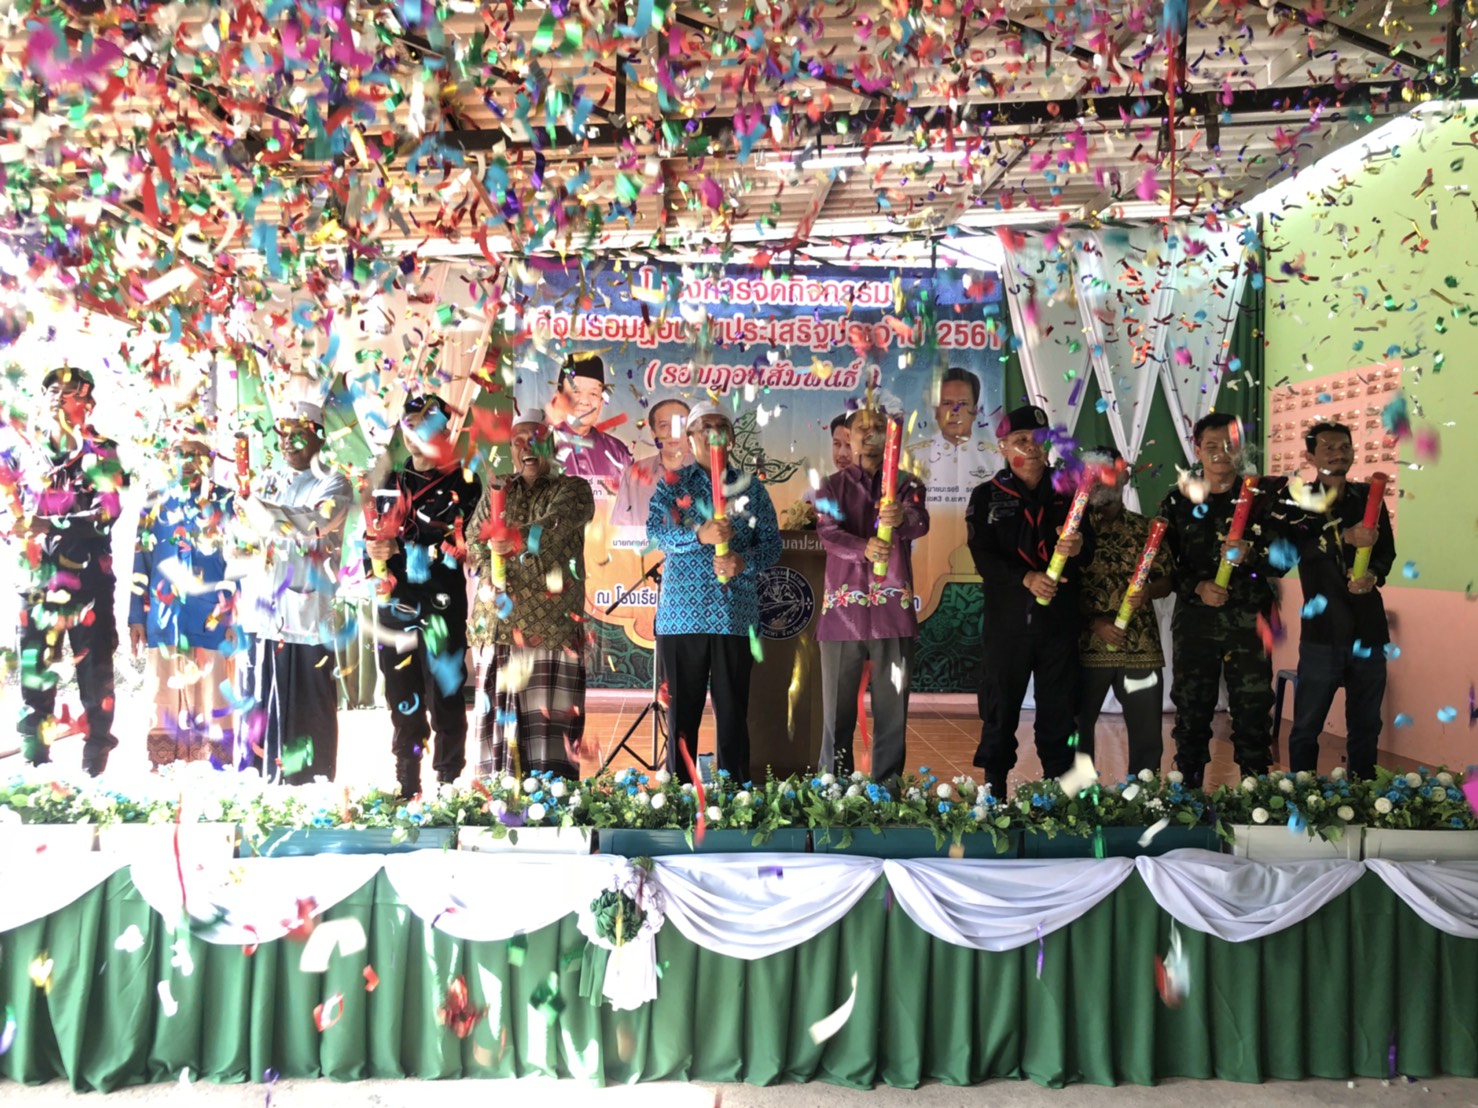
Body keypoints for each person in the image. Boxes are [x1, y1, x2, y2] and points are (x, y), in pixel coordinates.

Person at [2, 367, 127, 775]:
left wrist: (49, 524)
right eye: (52, 389)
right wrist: (12, 524)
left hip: (88, 581)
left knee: (95, 674)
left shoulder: (103, 451)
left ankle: (94, 767)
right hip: (35, 580)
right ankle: (36, 766)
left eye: (71, 391)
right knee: (35, 675)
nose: (59, 396)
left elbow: (107, 513)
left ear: (88, 403)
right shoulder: (20, 452)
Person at [648, 400, 781, 782]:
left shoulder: (751, 488)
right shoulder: (672, 485)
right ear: (690, 438)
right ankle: (677, 796)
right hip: (681, 617)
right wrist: (698, 535)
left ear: (732, 438)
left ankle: (735, 796)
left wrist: (743, 562)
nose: (712, 434)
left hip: (734, 616)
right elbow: (655, 533)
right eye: (703, 427)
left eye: (720, 427)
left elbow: (771, 545)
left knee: (734, 715)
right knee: (681, 716)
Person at [966, 404, 1094, 798]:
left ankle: (1063, 800)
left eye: (1039, 439)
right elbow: (983, 556)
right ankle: (994, 796)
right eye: (1021, 439)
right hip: (1008, 625)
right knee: (1000, 710)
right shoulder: (987, 496)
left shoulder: (1070, 493)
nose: (1032, 446)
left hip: (1059, 624)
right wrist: (1026, 578)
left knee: (1060, 714)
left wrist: (1079, 547)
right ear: (1003, 447)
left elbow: (1090, 552)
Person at [1157, 412, 1287, 788]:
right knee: (1191, 709)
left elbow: (1285, 559)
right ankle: (1188, 794)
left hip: (1250, 621)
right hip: (1196, 622)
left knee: (1253, 709)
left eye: (1229, 445)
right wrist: (1196, 587)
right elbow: (1163, 564)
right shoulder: (1178, 500)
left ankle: (1256, 797)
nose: (1220, 453)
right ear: (1197, 450)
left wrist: (1252, 554)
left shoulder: (1264, 499)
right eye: (1211, 446)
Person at [364, 395, 482, 797]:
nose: (418, 435)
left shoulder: (465, 482)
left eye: (427, 426)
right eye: (411, 426)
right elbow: (373, 535)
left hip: (441, 605)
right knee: (401, 695)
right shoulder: (390, 482)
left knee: (445, 696)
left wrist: (400, 546)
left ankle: (448, 786)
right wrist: (373, 557)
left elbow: (457, 543)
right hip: (395, 607)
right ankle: (407, 782)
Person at [233, 400, 352, 785]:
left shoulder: (334, 483)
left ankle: (310, 790)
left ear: (319, 436)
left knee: (307, 710)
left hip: (306, 618)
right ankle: (258, 786)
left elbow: (314, 524)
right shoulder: (265, 481)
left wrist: (258, 510)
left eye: (297, 433)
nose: (287, 441)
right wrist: (242, 523)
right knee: (259, 708)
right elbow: (244, 539)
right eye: (282, 433)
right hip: (263, 614)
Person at [468, 418, 595, 780]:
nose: (527, 447)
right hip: (499, 624)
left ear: (552, 446)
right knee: (497, 735)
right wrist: (489, 561)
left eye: (536, 439)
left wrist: (513, 538)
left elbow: (555, 525)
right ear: (511, 450)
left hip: (550, 627)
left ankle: (552, 803)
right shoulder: (498, 488)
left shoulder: (573, 488)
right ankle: (496, 802)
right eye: (518, 441)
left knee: (549, 737)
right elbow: (474, 540)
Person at [814, 407, 929, 783]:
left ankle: (887, 792)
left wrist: (902, 519)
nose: (871, 433)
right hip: (842, 614)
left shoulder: (908, 485)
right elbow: (828, 533)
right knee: (836, 715)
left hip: (892, 613)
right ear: (848, 435)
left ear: (891, 435)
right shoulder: (830, 486)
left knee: (892, 713)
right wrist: (863, 547)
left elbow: (919, 523)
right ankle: (832, 792)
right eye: (862, 427)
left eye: (879, 427)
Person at [1282, 422, 1395, 778]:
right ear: (1310, 456)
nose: (1338, 453)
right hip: (1323, 631)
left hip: (1368, 630)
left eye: (1344, 446)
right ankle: (1302, 793)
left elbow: (1386, 553)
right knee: (1307, 725)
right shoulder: (1297, 500)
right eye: (1328, 448)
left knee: (1366, 725)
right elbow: (1292, 551)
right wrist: (1343, 537)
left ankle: (1362, 793)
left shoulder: (1367, 497)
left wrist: (1372, 575)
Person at [129, 420, 238, 769]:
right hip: (165, 619)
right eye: (180, 453)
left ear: (210, 458)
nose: (187, 461)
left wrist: (235, 618)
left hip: (212, 619)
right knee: (163, 695)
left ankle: (216, 772)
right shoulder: (154, 503)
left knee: (213, 696)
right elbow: (141, 562)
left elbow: (239, 564)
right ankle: (163, 768)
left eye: (196, 453)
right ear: (169, 457)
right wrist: (136, 616)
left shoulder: (227, 502)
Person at [1075, 447, 1172, 776]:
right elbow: (1061, 587)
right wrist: (1094, 622)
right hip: (1083, 647)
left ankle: (1143, 798)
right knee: (1075, 733)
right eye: (1092, 473)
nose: (1100, 480)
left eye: (1108, 472)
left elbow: (1167, 579)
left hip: (1140, 646)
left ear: (1124, 476)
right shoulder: (1072, 533)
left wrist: (1150, 591)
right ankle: (1078, 799)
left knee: (1147, 738)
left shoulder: (1148, 528)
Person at [919, 367, 1001, 507]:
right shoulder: (915, 455)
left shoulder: (997, 457)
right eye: (947, 403)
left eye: (962, 404)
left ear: (975, 410)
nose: (954, 412)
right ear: (936, 411)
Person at [609, 396, 693, 531]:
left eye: (679, 425)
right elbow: (620, 530)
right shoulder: (634, 473)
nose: (672, 432)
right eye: (664, 425)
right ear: (653, 434)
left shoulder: (708, 472)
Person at [549, 352, 633, 484]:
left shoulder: (617, 452)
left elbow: (631, 494)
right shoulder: (541, 447)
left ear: (601, 402)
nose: (585, 401)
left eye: (593, 394)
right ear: (559, 397)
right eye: (575, 391)